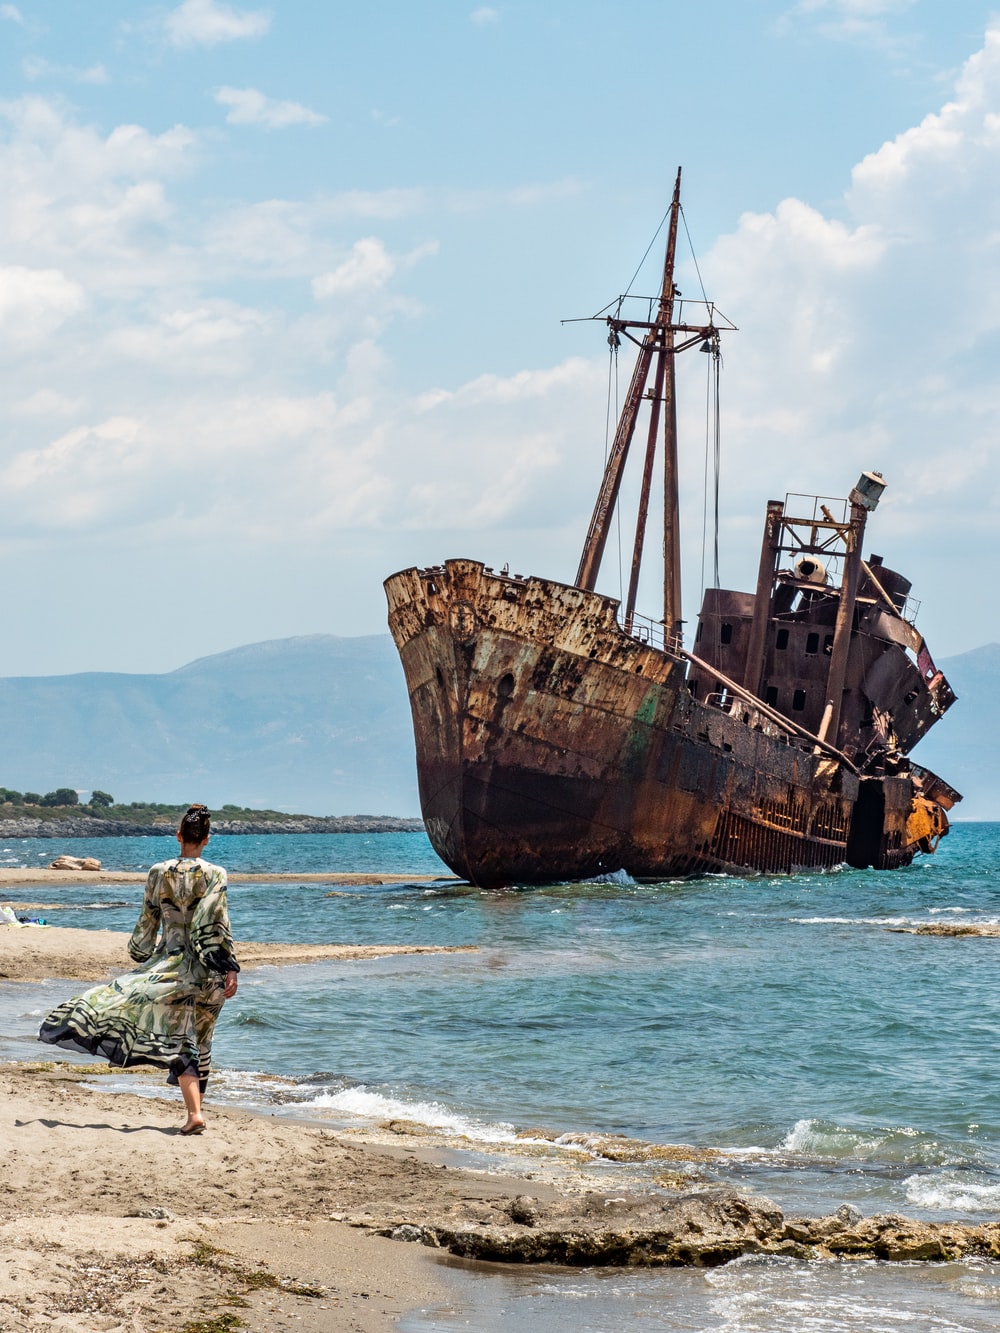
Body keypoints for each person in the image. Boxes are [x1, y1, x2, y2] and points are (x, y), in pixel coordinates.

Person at [38, 804, 239, 1135]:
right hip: (210, 970)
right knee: (202, 1040)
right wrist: (230, 968)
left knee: (181, 1039)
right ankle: (196, 1113)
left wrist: (141, 954)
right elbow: (217, 924)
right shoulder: (215, 874)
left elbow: (148, 923)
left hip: (171, 966)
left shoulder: (158, 872)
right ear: (207, 839)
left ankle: (196, 1114)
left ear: (179, 836)